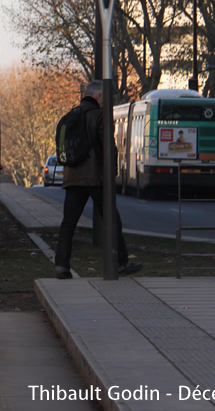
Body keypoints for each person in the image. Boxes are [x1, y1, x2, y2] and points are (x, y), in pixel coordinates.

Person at [55, 80, 143, 280]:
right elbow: (108, 149)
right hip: (95, 178)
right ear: (98, 97)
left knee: (68, 223)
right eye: (105, 97)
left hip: (73, 177)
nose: (107, 101)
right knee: (112, 220)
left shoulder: (70, 115)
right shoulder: (100, 116)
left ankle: (61, 266)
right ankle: (121, 262)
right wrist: (112, 175)